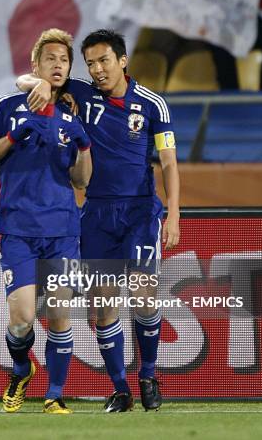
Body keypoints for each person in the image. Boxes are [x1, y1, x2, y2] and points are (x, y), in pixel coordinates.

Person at [18, 28, 180, 413]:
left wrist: (173, 212)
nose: (97, 69)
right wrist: (36, 83)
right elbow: (27, 78)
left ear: (122, 61)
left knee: (143, 295)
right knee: (102, 305)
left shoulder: (153, 104)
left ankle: (148, 374)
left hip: (141, 211)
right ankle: (120, 388)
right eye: (90, 63)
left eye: (104, 61)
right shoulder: (83, 92)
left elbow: (169, 161)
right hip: (95, 213)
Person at [0, 29, 92, 414]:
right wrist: (13, 135)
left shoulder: (72, 112)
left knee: (59, 313)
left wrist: (84, 144)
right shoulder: (6, 105)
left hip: (62, 229)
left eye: (64, 61)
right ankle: (22, 368)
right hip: (18, 229)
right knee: (23, 317)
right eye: (50, 59)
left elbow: (81, 180)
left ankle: (55, 393)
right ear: (36, 65)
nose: (58, 66)